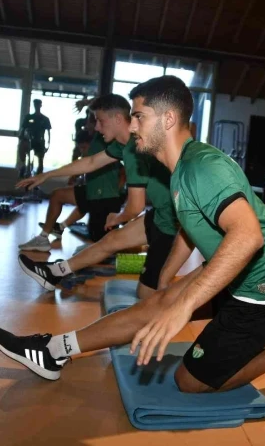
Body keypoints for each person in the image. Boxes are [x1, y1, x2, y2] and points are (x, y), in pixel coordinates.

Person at [0, 75, 265, 396]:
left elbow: (247, 237)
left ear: (168, 119)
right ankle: (53, 350)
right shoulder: (179, 169)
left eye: (139, 116)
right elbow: (190, 227)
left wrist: (183, 304)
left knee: (190, 381)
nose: (131, 126)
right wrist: (167, 280)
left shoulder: (203, 166)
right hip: (236, 271)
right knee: (153, 305)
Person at [15, 94, 178, 301]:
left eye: (100, 121)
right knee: (111, 241)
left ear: (117, 119)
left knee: (147, 296)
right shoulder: (125, 145)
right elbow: (91, 163)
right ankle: (53, 273)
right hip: (163, 214)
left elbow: (135, 207)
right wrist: (47, 175)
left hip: (174, 223)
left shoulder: (135, 149)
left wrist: (117, 217)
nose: (97, 127)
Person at [19, 110, 124, 251]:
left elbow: (122, 171)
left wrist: (118, 190)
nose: (88, 125)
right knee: (61, 196)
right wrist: (69, 175)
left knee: (104, 244)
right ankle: (49, 234)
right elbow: (87, 163)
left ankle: (56, 231)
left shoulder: (102, 140)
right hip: (92, 193)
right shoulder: (95, 141)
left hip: (106, 197)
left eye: (94, 121)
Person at [18, 99, 51, 176]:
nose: (37, 106)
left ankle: (38, 175)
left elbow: (48, 132)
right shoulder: (28, 117)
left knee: (40, 161)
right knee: (22, 148)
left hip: (39, 141)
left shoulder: (45, 119)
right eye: (35, 104)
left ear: (40, 105)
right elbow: (23, 129)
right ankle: (23, 166)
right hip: (29, 141)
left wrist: (48, 145)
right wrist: (21, 137)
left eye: (38, 104)